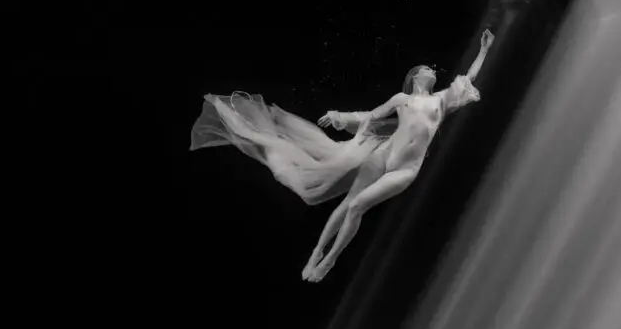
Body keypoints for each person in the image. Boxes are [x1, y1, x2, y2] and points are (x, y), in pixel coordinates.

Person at [189, 29, 494, 282]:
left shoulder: (441, 101)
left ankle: (330, 260)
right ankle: (315, 254)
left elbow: (467, 80)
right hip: (382, 156)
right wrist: (339, 114)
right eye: (426, 69)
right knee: (350, 204)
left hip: (405, 169)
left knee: (358, 205)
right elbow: (370, 115)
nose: (432, 70)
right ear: (415, 78)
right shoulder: (401, 99)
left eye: (431, 69)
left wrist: (482, 51)